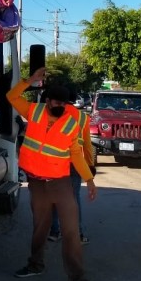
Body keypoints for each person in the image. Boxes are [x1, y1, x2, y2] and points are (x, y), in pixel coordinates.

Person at [7, 67, 97, 281]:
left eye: (62, 104)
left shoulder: (71, 122)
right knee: (40, 227)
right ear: (47, 100)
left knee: (71, 230)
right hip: (36, 182)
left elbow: (76, 152)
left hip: (60, 183)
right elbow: (11, 97)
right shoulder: (34, 111)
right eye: (54, 102)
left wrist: (89, 178)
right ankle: (35, 264)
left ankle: (78, 277)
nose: (58, 106)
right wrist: (30, 80)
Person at [49, 99, 94, 244]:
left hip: (55, 163)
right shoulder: (82, 118)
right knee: (73, 199)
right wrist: (90, 166)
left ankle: (55, 232)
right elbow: (87, 146)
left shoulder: (50, 114)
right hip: (74, 164)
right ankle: (78, 235)